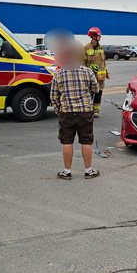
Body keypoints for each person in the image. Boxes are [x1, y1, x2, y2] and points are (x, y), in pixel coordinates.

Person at [50, 39, 100, 179]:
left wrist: (59, 110)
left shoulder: (59, 74)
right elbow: (96, 89)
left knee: (67, 141)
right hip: (85, 112)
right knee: (86, 141)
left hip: (67, 113)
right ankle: (88, 170)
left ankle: (67, 172)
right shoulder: (87, 72)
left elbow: (53, 96)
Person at [82, 27, 109, 118]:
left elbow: (103, 62)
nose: (100, 38)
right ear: (93, 37)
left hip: (100, 77)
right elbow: (83, 63)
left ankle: (96, 111)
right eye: (98, 36)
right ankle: (88, 110)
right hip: (90, 76)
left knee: (98, 94)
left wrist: (107, 73)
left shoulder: (101, 47)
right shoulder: (85, 48)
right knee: (89, 94)